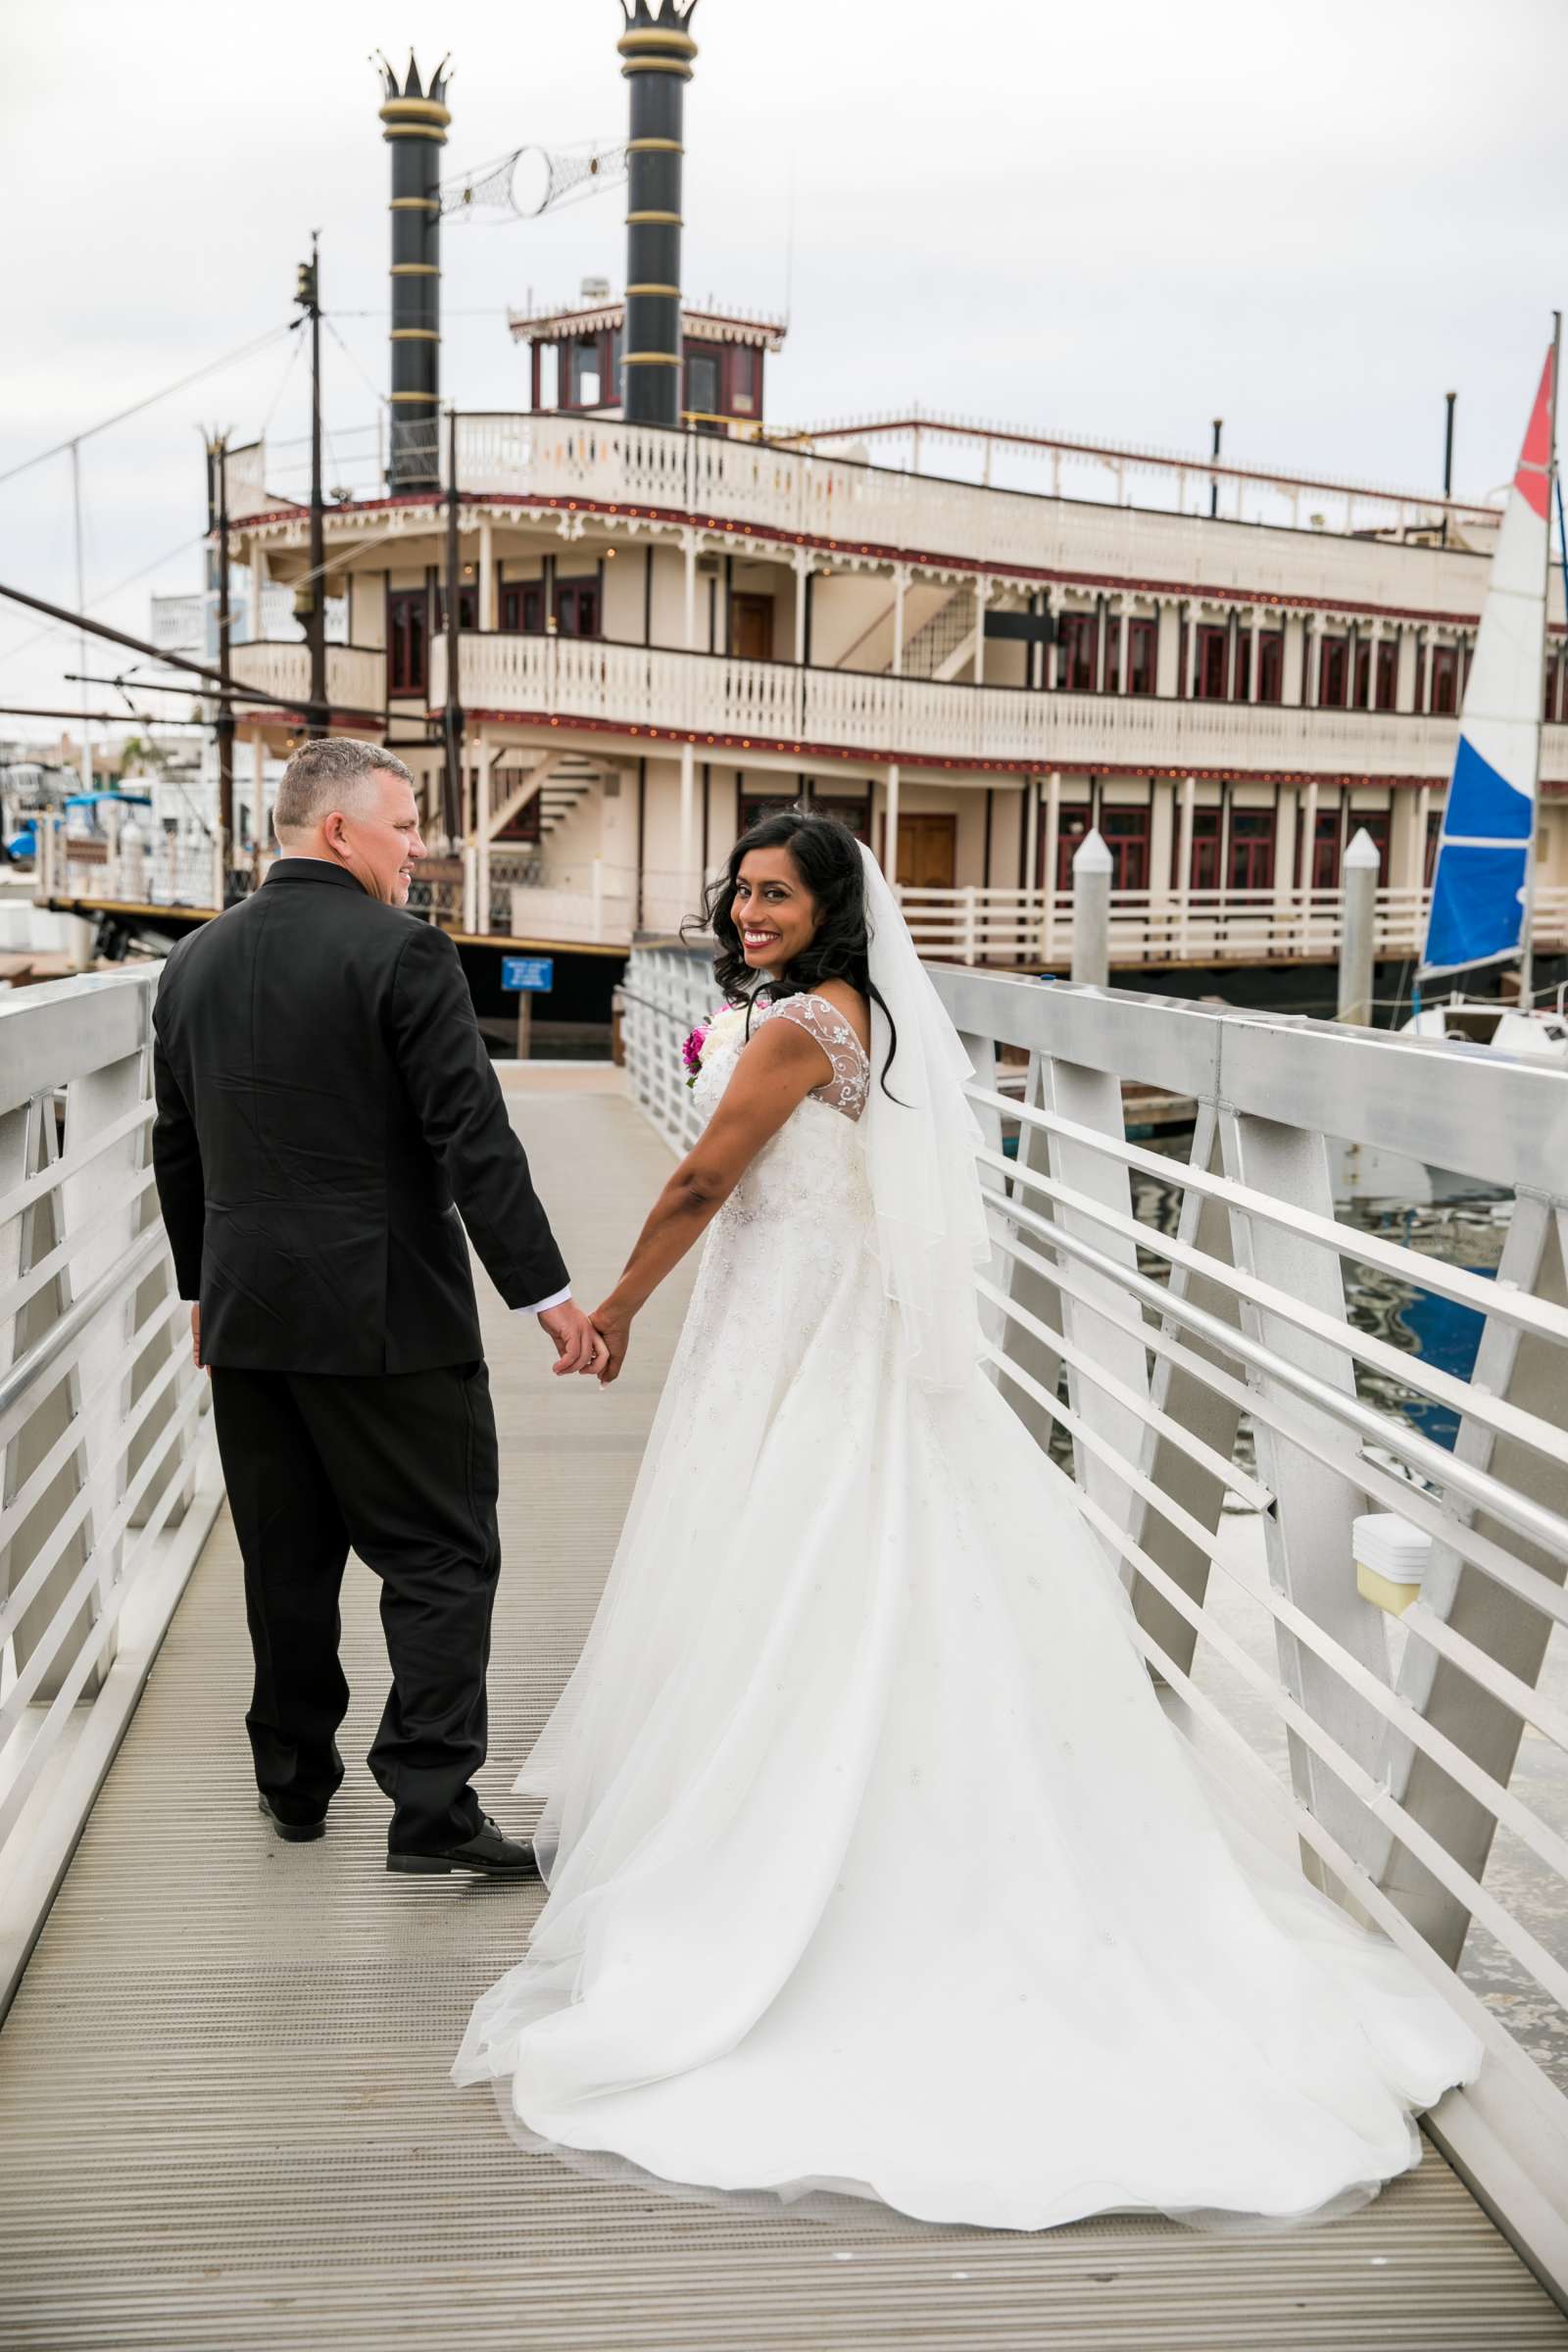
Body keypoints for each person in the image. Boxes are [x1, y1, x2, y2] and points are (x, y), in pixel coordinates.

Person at [453, 806, 1482, 2231]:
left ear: (830, 910)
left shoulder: (799, 1028)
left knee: (788, 1563)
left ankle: (783, 1866)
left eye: (775, 896)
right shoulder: (862, 1013)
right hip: (833, 1317)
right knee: (868, 1565)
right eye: (739, 893)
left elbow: (700, 1179)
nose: (749, 915)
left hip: (795, 1334)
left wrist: (615, 1308)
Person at [151, 739, 605, 1878]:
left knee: (284, 1559)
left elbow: (178, 1146)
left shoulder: (192, 963)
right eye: (405, 828)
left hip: (250, 1313)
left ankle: (292, 1785)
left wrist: (203, 1286)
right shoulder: (405, 955)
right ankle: (431, 1805)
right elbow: (470, 1136)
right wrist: (543, 1291)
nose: (420, 852)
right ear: (339, 830)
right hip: (386, 1311)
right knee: (442, 1555)